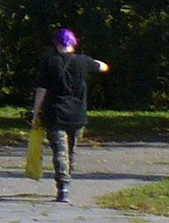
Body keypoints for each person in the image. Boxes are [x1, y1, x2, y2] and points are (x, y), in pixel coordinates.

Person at [29, 26, 109, 203]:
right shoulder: (83, 61)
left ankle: (63, 187)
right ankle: (67, 181)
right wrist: (90, 61)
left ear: (56, 43)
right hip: (77, 115)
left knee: (59, 151)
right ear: (74, 43)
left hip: (55, 113)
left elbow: (42, 90)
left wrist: (36, 112)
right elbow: (104, 67)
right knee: (70, 151)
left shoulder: (49, 62)